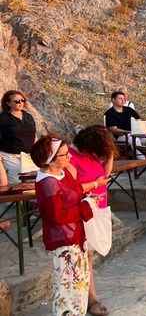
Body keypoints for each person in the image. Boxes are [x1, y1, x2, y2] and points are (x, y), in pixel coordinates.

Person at [31, 135, 94, 316]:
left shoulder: (62, 173)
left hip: (75, 234)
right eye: (64, 155)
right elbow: (57, 215)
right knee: (67, 288)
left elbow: (75, 191)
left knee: (80, 283)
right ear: (50, 160)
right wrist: (83, 208)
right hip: (64, 240)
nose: (69, 158)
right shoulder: (48, 183)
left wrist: (86, 199)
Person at [69, 125, 117, 316]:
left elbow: (104, 175)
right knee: (84, 255)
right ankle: (91, 299)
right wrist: (95, 185)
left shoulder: (92, 155)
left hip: (98, 210)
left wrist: (111, 154)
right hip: (83, 211)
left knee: (88, 255)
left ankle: (89, 298)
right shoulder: (71, 157)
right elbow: (73, 186)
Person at [0, 90, 36, 185]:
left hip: (28, 156)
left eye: (22, 100)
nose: (20, 103)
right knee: (16, 182)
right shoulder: (2, 118)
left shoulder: (28, 117)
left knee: (31, 182)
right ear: (8, 103)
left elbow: (33, 136)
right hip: (10, 156)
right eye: (16, 101)